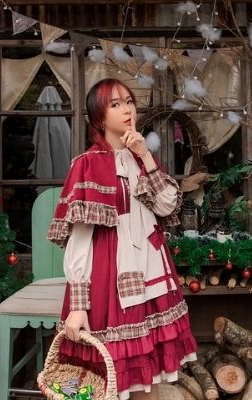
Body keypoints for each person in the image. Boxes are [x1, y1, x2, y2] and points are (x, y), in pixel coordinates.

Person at [48, 78, 197, 400]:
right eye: (115, 104)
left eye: (129, 101)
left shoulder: (140, 158)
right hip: (110, 278)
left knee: (147, 378)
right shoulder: (87, 165)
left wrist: (145, 156)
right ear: (99, 118)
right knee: (107, 379)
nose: (127, 109)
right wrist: (78, 305)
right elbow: (80, 240)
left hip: (151, 272)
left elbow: (166, 205)